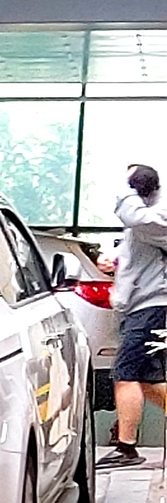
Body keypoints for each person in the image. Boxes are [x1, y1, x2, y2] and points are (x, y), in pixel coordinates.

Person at [103, 164, 167, 468]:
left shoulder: (156, 214)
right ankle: (126, 444)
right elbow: (138, 240)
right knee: (147, 379)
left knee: (125, 374)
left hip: (152, 307)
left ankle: (127, 447)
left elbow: (137, 221)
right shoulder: (149, 217)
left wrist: (124, 188)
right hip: (144, 305)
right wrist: (114, 257)